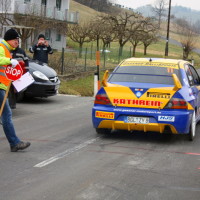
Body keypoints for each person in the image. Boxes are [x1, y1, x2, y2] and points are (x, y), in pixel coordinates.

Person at [0, 28, 31, 152]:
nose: (17, 42)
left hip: (3, 87)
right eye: (15, 39)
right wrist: (9, 61)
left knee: (5, 115)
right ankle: (14, 143)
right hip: (0, 87)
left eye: (18, 39)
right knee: (6, 115)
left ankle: (14, 143)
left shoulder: (7, 49)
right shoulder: (2, 47)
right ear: (9, 39)